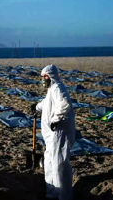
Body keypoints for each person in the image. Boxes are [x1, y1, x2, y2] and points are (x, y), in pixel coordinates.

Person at [30, 64, 75, 200]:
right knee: (49, 163)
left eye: (45, 76)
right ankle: (52, 193)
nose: (43, 79)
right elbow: (46, 103)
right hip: (51, 135)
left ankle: (64, 195)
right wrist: (36, 107)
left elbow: (64, 103)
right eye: (42, 77)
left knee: (58, 164)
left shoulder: (58, 88)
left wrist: (55, 119)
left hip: (59, 132)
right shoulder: (51, 90)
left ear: (51, 76)